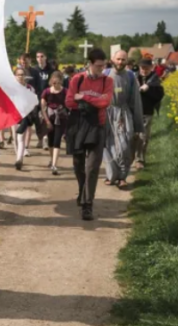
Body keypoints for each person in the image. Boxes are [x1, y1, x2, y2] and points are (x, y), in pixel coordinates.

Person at [65, 48, 114, 221]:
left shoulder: (107, 81)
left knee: (92, 167)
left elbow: (105, 101)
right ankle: (82, 190)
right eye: (99, 66)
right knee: (78, 165)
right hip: (78, 125)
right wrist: (92, 100)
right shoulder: (77, 79)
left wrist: (84, 98)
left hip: (97, 126)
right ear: (90, 64)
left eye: (104, 65)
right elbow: (69, 101)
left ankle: (87, 205)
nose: (102, 68)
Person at [102, 49, 144, 189]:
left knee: (124, 146)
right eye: (118, 59)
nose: (120, 62)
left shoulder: (131, 76)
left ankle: (123, 176)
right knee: (108, 146)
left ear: (127, 61)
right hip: (107, 113)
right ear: (112, 59)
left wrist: (138, 125)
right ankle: (112, 175)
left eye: (123, 59)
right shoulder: (105, 74)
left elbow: (136, 101)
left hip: (124, 114)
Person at [135, 58, 164, 169]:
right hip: (133, 111)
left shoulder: (155, 80)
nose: (144, 70)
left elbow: (159, 95)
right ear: (139, 68)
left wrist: (149, 89)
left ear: (151, 68)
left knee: (143, 136)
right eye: (142, 68)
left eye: (147, 68)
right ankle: (130, 157)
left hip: (147, 111)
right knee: (132, 136)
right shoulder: (133, 77)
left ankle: (140, 160)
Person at [41, 71, 68, 175]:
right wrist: (47, 121)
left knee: (57, 141)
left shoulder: (65, 91)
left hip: (61, 118)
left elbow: (69, 103)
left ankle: (54, 165)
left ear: (61, 81)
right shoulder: (46, 92)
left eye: (57, 82)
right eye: (53, 82)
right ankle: (52, 159)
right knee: (50, 141)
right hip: (49, 117)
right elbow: (43, 108)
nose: (55, 84)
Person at [12, 67, 37, 171]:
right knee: (15, 137)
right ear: (15, 76)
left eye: (22, 74)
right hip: (14, 115)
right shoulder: (12, 88)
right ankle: (18, 154)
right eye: (18, 75)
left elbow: (34, 101)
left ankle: (19, 159)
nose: (21, 77)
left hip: (25, 115)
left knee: (20, 137)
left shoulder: (30, 88)